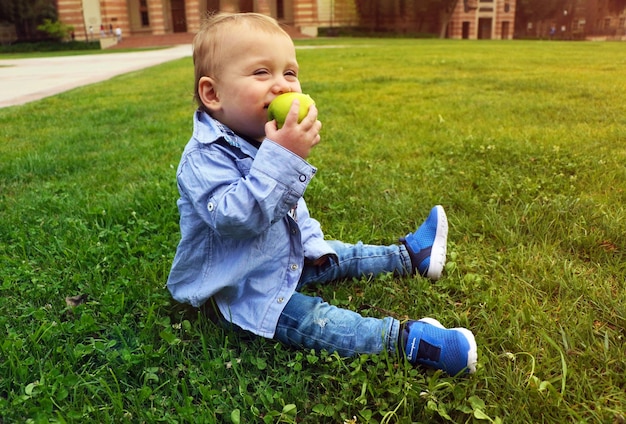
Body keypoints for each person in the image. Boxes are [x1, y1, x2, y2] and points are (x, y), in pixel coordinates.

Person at [167, 12, 478, 376]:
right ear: (213, 93)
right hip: (241, 287)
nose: (282, 85)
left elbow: (290, 212)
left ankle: (410, 255)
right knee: (315, 320)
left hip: (281, 258)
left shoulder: (263, 137)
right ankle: (409, 342)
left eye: (290, 73)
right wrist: (285, 157)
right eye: (261, 73)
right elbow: (239, 218)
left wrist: (314, 244)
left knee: (341, 254)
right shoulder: (203, 159)